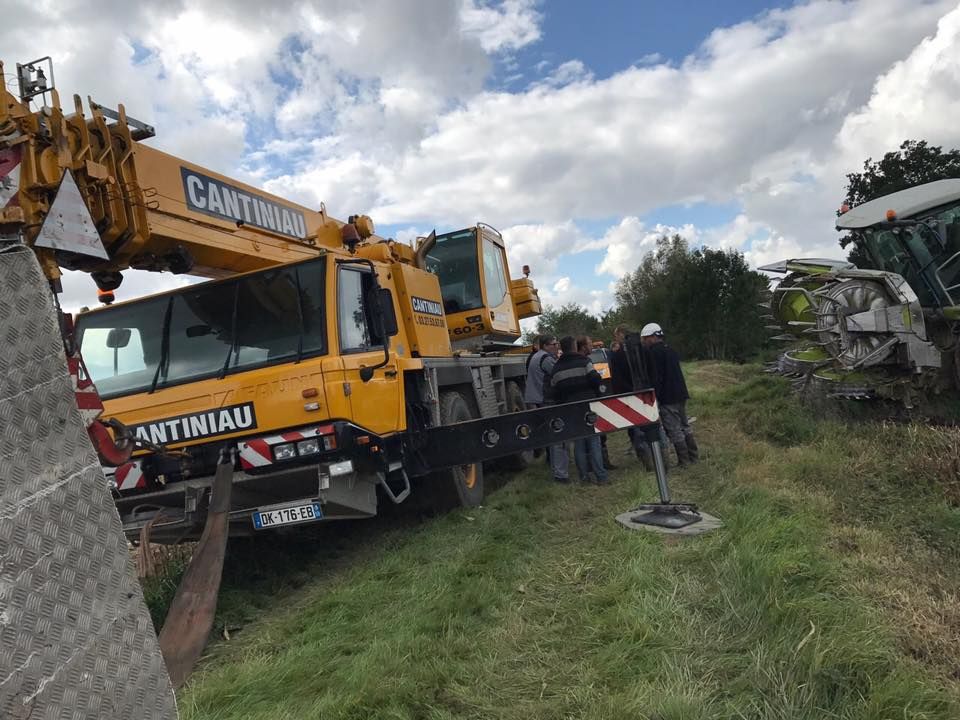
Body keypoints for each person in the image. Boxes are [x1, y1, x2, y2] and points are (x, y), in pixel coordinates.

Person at [550, 336, 608, 484]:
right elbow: (596, 379)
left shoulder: (556, 368)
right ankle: (601, 476)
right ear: (574, 347)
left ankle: (584, 477)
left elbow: (554, 392)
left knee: (579, 443)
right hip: (588, 406)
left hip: (571, 409)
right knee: (594, 441)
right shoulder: (584, 362)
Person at [640, 322, 699, 466]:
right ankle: (694, 456)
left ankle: (684, 461)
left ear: (653, 337)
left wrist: (656, 397)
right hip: (680, 394)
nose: (645, 342)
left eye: (646, 338)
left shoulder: (653, 353)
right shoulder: (670, 350)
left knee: (674, 429)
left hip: (667, 397)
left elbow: (657, 378)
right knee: (685, 426)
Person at [524, 335, 569, 482]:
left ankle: (556, 468)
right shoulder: (546, 359)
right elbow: (559, 375)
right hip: (547, 400)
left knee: (551, 436)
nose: (557, 346)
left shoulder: (536, 356)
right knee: (558, 437)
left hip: (538, 400)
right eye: (554, 344)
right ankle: (560, 474)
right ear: (545, 346)